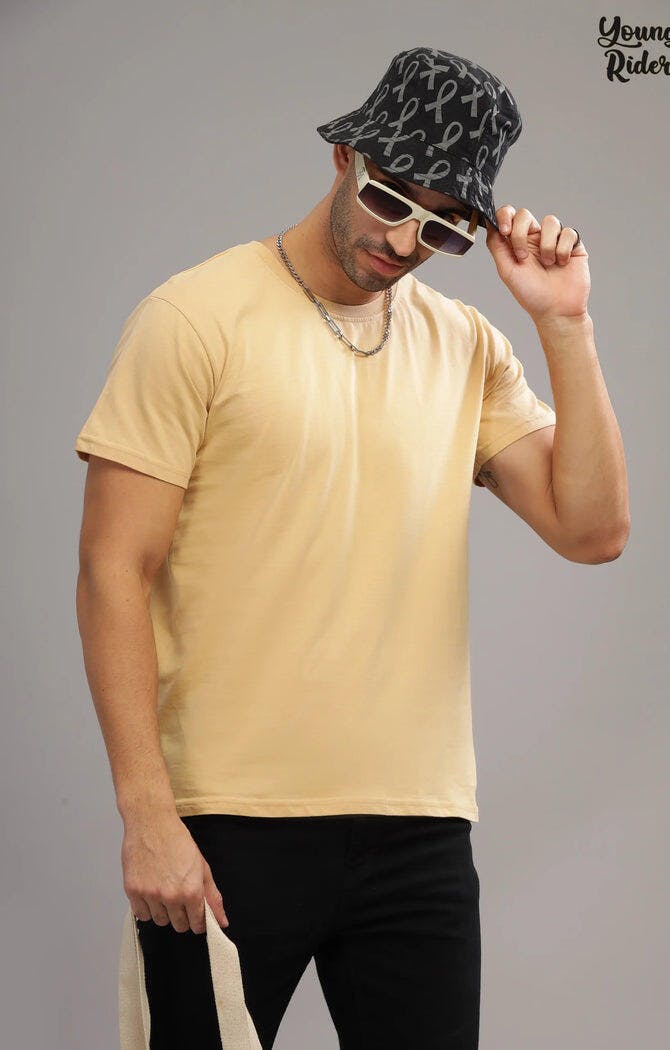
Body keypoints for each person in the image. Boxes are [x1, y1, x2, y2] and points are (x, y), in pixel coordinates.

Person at [74, 45, 629, 1050]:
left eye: (445, 226)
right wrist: (148, 816)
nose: (406, 239)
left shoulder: (466, 346)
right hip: (227, 821)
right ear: (344, 156)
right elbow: (115, 569)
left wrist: (567, 325)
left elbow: (593, 531)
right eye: (389, 198)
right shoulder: (195, 317)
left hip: (419, 827)